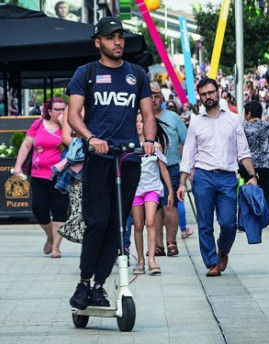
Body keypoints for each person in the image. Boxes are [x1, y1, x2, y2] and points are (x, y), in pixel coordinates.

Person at [65, 16, 155, 310]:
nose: (118, 42)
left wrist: (150, 140)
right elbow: (73, 115)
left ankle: (101, 285)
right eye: (111, 37)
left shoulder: (136, 74)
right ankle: (84, 282)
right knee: (98, 222)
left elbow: (148, 115)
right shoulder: (86, 73)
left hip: (127, 159)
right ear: (98, 42)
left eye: (120, 37)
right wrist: (91, 138)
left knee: (118, 225)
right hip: (99, 159)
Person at [177, 77, 258, 277]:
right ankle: (212, 262)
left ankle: (222, 249)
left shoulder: (232, 119)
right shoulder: (195, 121)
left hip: (228, 177)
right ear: (200, 97)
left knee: (228, 223)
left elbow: (243, 151)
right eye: (204, 94)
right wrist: (181, 182)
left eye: (211, 92)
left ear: (218, 91)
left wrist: (253, 176)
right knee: (204, 223)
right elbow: (188, 153)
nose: (208, 97)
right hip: (203, 176)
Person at [12, 98, 69, 258]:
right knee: (39, 209)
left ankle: (56, 247)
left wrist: (64, 124)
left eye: (63, 109)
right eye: (57, 109)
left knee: (60, 210)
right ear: (49, 111)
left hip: (61, 176)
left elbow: (73, 145)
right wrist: (18, 166)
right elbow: (26, 145)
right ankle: (50, 236)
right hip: (39, 175)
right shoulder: (38, 125)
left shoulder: (68, 127)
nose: (60, 112)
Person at [149, 82, 187, 257]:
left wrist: (186, 167)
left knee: (169, 204)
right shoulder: (142, 116)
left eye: (156, 96)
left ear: (162, 99)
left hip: (171, 165)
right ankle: (157, 244)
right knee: (154, 206)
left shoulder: (173, 117)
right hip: (148, 169)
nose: (153, 99)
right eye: (149, 96)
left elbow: (185, 141)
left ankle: (171, 241)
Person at [132, 115, 173, 275]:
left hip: (152, 188)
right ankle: (140, 260)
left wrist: (169, 190)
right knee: (137, 225)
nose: (139, 125)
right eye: (136, 122)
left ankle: (152, 260)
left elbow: (163, 169)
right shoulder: (129, 146)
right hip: (135, 190)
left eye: (142, 122)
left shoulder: (155, 146)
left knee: (150, 222)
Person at [241, 100, 269, 228]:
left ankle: (254, 213)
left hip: (248, 165)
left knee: (251, 189)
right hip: (268, 163)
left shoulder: (243, 127)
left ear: (248, 113)